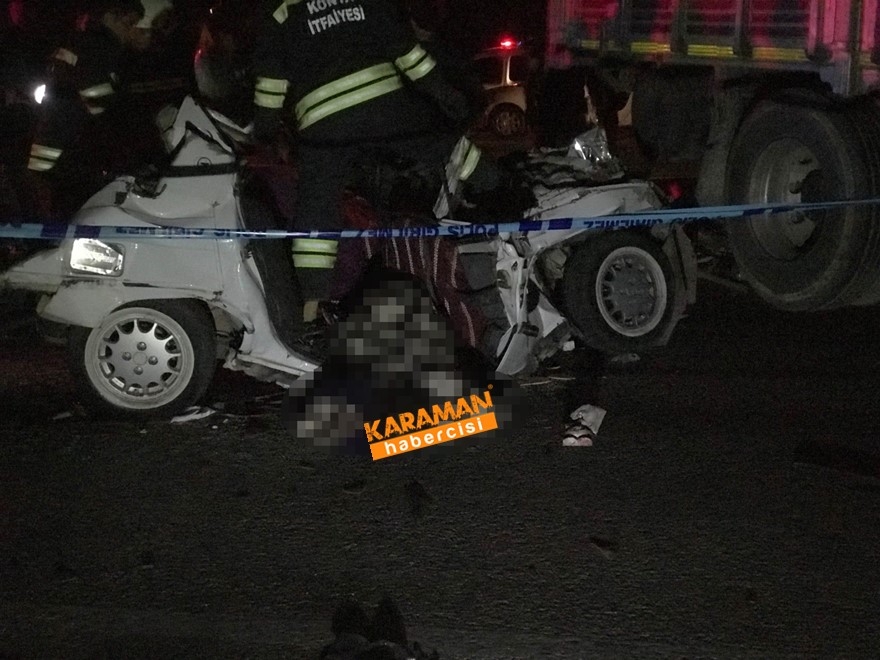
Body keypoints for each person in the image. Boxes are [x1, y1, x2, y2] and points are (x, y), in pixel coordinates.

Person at [250, 0, 513, 359]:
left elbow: (271, 83)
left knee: (317, 209)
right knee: (445, 146)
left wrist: (264, 135)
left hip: (324, 128)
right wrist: (444, 95)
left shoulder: (281, 12)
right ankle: (506, 194)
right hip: (387, 110)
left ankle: (312, 308)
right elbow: (407, 53)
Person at [24, 0, 146, 221]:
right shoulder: (97, 48)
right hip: (73, 159)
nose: (129, 32)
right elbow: (103, 107)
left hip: (52, 152)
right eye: (128, 23)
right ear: (109, 17)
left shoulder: (78, 43)